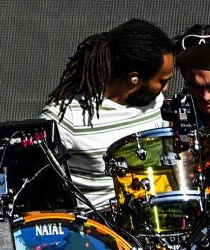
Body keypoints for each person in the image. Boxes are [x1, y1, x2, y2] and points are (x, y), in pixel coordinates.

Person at [41, 19, 176, 211]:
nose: (166, 88)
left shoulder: (156, 102)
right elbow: (39, 193)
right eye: (162, 81)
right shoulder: (65, 118)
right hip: (97, 227)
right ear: (134, 79)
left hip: (157, 218)